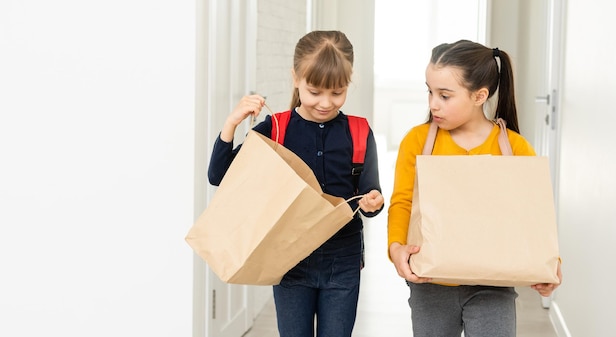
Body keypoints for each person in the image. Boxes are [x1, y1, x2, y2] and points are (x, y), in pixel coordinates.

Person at [208, 30, 384, 337]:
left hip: (342, 260)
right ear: (295, 78)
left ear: (349, 81)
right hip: (290, 259)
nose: (326, 103)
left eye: (337, 92)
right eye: (315, 91)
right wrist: (231, 123)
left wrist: (373, 203)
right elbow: (219, 175)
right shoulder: (276, 128)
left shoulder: (359, 131)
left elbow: (370, 196)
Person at [387, 40, 563, 337]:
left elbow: (534, 213)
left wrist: (552, 262)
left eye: (444, 95)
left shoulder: (514, 147)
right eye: (429, 92)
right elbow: (402, 201)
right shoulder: (416, 141)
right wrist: (396, 248)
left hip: (493, 284)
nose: (432, 104)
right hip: (431, 284)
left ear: (479, 95)